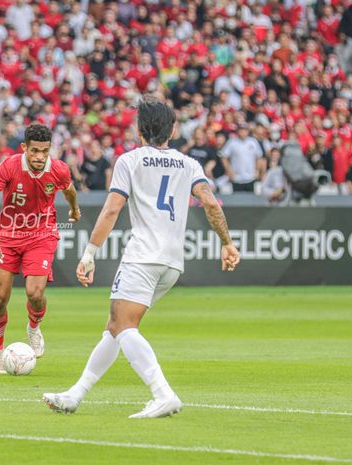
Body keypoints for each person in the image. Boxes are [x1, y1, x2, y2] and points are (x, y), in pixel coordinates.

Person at [43, 97, 240, 419]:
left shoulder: (130, 160)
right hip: (172, 262)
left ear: (139, 130)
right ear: (173, 129)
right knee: (117, 326)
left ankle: (163, 393)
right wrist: (227, 243)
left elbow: (112, 208)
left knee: (123, 324)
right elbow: (210, 202)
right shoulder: (189, 164)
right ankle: (75, 394)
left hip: (142, 255)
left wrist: (90, 253)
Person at [0, 123, 81, 374]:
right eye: (34, 151)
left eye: (44, 151)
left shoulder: (59, 169)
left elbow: (70, 190)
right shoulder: (11, 165)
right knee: (0, 299)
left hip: (41, 233)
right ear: (24, 148)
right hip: (8, 234)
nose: (39, 157)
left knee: (35, 293)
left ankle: (34, 327)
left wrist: (74, 209)